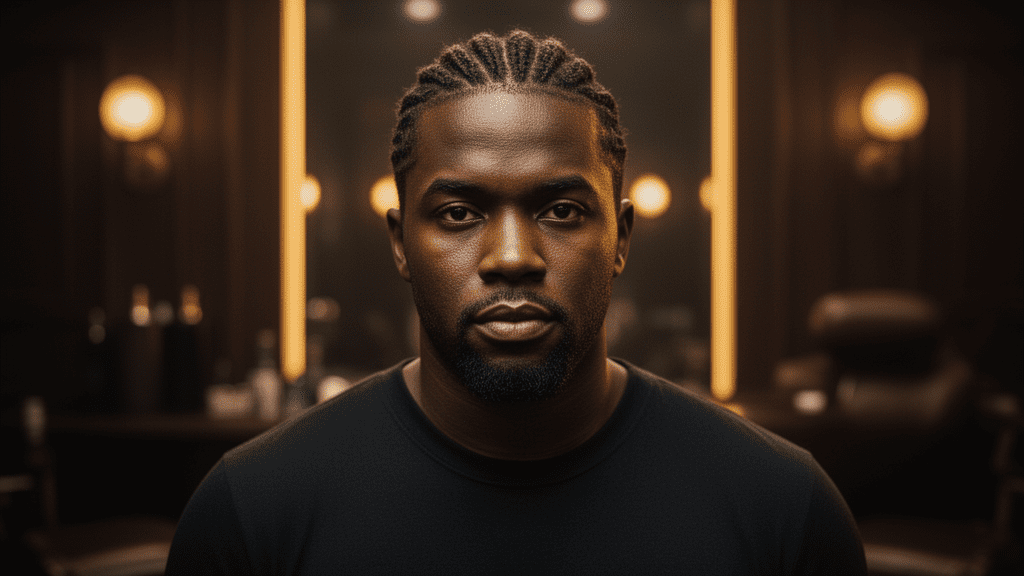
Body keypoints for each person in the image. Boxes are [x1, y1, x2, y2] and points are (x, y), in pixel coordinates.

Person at [166, 30, 865, 574]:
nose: (511, 258)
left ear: (620, 237)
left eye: (561, 210)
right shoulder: (254, 512)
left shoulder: (781, 508)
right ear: (400, 242)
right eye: (459, 214)